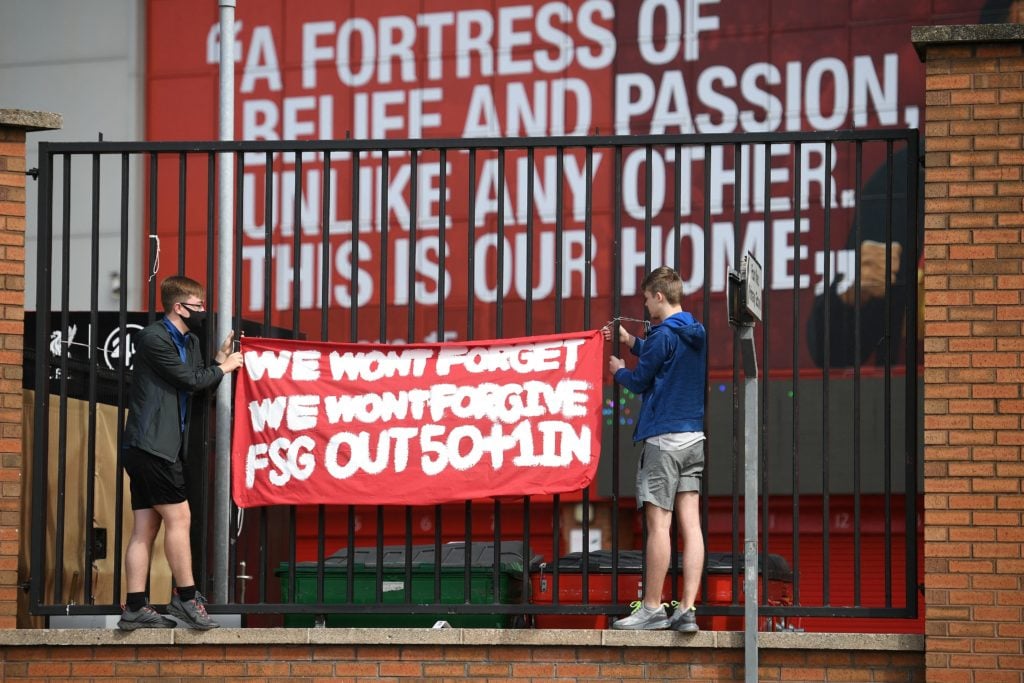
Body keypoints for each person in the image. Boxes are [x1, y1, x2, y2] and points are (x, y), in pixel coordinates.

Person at [117, 275, 244, 630]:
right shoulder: (154, 338)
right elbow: (190, 380)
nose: (203, 311)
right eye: (197, 305)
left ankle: (135, 607)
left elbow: (195, 379)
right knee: (180, 518)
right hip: (152, 446)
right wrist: (223, 367)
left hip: (154, 447)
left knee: (145, 526)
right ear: (178, 307)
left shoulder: (187, 341)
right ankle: (186, 598)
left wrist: (216, 362)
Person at [604, 266, 707, 632]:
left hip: (663, 441)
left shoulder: (663, 334)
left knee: (658, 526)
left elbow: (640, 379)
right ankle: (687, 609)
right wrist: (633, 341)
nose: (645, 304)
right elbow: (663, 356)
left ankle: (651, 608)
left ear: (659, 295)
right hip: (694, 438)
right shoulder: (695, 331)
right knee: (691, 526)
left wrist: (618, 369)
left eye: (647, 298)